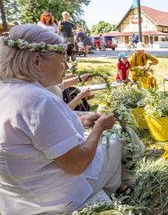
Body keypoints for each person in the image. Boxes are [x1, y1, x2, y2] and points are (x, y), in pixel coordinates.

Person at [0, 24, 135, 214]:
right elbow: (76, 165)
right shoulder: (38, 100)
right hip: (56, 196)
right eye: (62, 60)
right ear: (37, 61)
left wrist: (81, 122)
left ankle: (108, 189)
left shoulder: (7, 89)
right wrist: (99, 128)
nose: (66, 67)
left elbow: (36, 138)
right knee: (115, 140)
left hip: (19, 195)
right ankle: (114, 190)